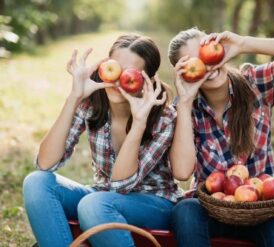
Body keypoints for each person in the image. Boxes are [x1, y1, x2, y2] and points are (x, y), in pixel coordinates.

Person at [23, 34, 182, 247]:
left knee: (94, 204)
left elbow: (121, 184)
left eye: (130, 73)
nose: (118, 80)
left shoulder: (164, 118)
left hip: (154, 204)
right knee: (36, 182)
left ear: (148, 81)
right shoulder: (91, 105)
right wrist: (74, 97)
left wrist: (139, 122)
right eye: (114, 67)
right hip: (101, 196)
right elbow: (45, 163)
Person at [168, 28, 274, 247]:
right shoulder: (184, 108)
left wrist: (244, 44)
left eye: (209, 52)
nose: (207, 65)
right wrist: (184, 102)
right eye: (195, 62)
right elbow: (182, 172)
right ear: (182, 71)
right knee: (185, 211)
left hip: (261, 209)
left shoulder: (255, 85)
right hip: (211, 208)